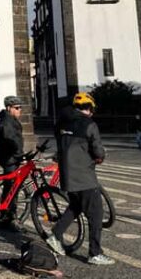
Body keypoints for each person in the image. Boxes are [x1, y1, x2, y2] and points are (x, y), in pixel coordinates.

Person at [46, 92, 114, 266]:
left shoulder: (61, 122)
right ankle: (95, 253)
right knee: (96, 214)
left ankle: (55, 235)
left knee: (76, 206)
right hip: (84, 176)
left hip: (67, 175)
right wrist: (99, 157)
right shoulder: (89, 124)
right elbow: (98, 151)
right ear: (89, 109)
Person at [0, 95, 24, 216]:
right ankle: (9, 216)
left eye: (20, 107)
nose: (19, 110)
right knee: (12, 188)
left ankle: (5, 211)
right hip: (8, 158)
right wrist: (20, 155)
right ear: (9, 108)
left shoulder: (11, 120)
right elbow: (11, 141)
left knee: (10, 185)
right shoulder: (7, 122)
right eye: (17, 107)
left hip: (12, 157)